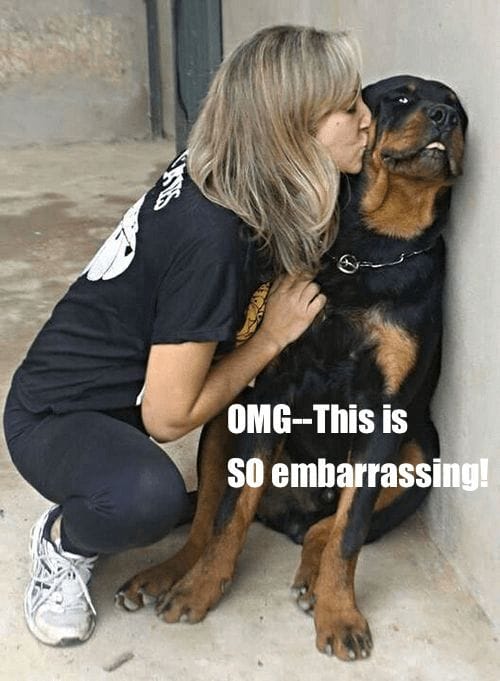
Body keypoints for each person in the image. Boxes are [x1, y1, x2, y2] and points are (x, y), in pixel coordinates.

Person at [3, 24, 371, 646]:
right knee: (146, 498)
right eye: (348, 107)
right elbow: (168, 417)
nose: (367, 120)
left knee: (169, 487)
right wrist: (270, 339)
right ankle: (62, 542)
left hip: (120, 401)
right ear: (294, 130)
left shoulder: (229, 170)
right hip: (55, 416)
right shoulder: (214, 236)